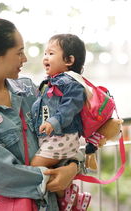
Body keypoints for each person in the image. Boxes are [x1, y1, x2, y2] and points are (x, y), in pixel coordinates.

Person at [0, 18, 81, 211]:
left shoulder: (29, 89)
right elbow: (0, 174)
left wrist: (72, 167)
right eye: (19, 52)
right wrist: (52, 178)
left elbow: (64, 132)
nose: (25, 59)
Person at [30, 34, 91, 210]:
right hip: (54, 136)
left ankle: (62, 196)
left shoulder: (72, 83)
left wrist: (53, 122)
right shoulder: (50, 82)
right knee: (51, 169)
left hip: (62, 136)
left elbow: (69, 107)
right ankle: (67, 196)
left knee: (35, 166)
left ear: (69, 60)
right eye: (45, 53)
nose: (45, 58)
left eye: (51, 53)